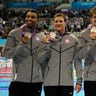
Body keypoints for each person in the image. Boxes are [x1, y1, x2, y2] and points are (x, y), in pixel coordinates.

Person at [37, 12, 82, 96]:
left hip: (67, 84)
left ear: (65, 22)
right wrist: (46, 44)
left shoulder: (73, 40)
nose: (58, 23)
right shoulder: (46, 38)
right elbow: (39, 59)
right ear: (53, 23)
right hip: (50, 83)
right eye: (56, 21)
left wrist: (79, 81)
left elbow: (77, 61)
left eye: (60, 21)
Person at [1, 9, 43, 96]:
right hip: (18, 81)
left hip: (36, 82)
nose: (29, 19)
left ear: (38, 20)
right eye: (28, 16)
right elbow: (7, 54)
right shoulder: (14, 33)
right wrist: (22, 44)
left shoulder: (41, 36)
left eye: (33, 17)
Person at [77, 7, 96, 96]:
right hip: (91, 78)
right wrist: (92, 42)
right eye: (95, 16)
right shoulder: (84, 34)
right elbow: (80, 55)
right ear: (91, 18)